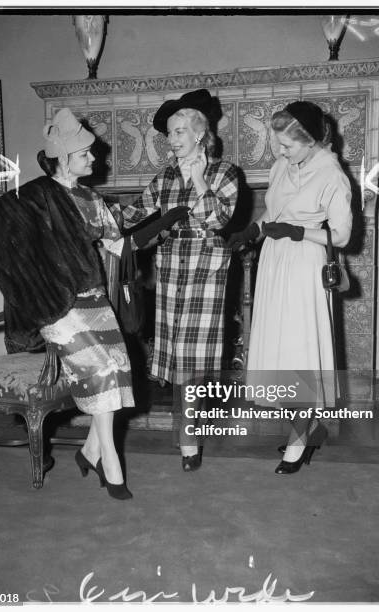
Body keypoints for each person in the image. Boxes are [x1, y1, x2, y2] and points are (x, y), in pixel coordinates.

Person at [0, 108, 189, 498]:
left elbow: (119, 243)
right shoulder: (26, 200)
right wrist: (49, 304)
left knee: (117, 367)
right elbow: (10, 262)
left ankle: (90, 449)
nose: (95, 160)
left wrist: (166, 220)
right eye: (86, 155)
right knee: (100, 370)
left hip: (94, 301)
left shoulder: (90, 197)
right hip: (58, 306)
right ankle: (109, 460)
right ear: (63, 157)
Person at [114, 89, 238, 471]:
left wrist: (199, 178)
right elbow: (134, 213)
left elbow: (218, 220)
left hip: (207, 268)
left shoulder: (225, 173)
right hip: (171, 269)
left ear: (200, 133)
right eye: (170, 133)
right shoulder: (164, 177)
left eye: (180, 131)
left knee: (195, 361)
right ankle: (185, 431)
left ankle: (188, 438)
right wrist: (93, 214)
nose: (172, 139)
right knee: (176, 359)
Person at [228, 100, 352, 474]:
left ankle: (300, 440)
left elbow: (342, 236)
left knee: (300, 354)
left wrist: (299, 231)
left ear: (311, 140)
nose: (280, 152)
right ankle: (309, 428)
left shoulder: (332, 174)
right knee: (280, 352)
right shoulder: (283, 165)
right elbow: (273, 211)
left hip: (305, 266)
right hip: (274, 264)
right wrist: (253, 230)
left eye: (288, 145)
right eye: (278, 144)